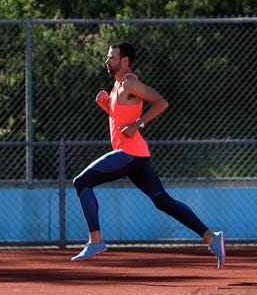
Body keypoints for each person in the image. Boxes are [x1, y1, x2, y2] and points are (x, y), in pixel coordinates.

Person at [71, 41, 226, 269]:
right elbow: (120, 120)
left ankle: (96, 240)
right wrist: (106, 106)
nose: (107, 61)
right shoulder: (116, 88)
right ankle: (213, 239)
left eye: (112, 57)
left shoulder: (129, 83)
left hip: (129, 153)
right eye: (108, 57)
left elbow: (161, 102)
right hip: (135, 156)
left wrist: (139, 123)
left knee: (82, 182)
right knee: (163, 201)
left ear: (125, 61)